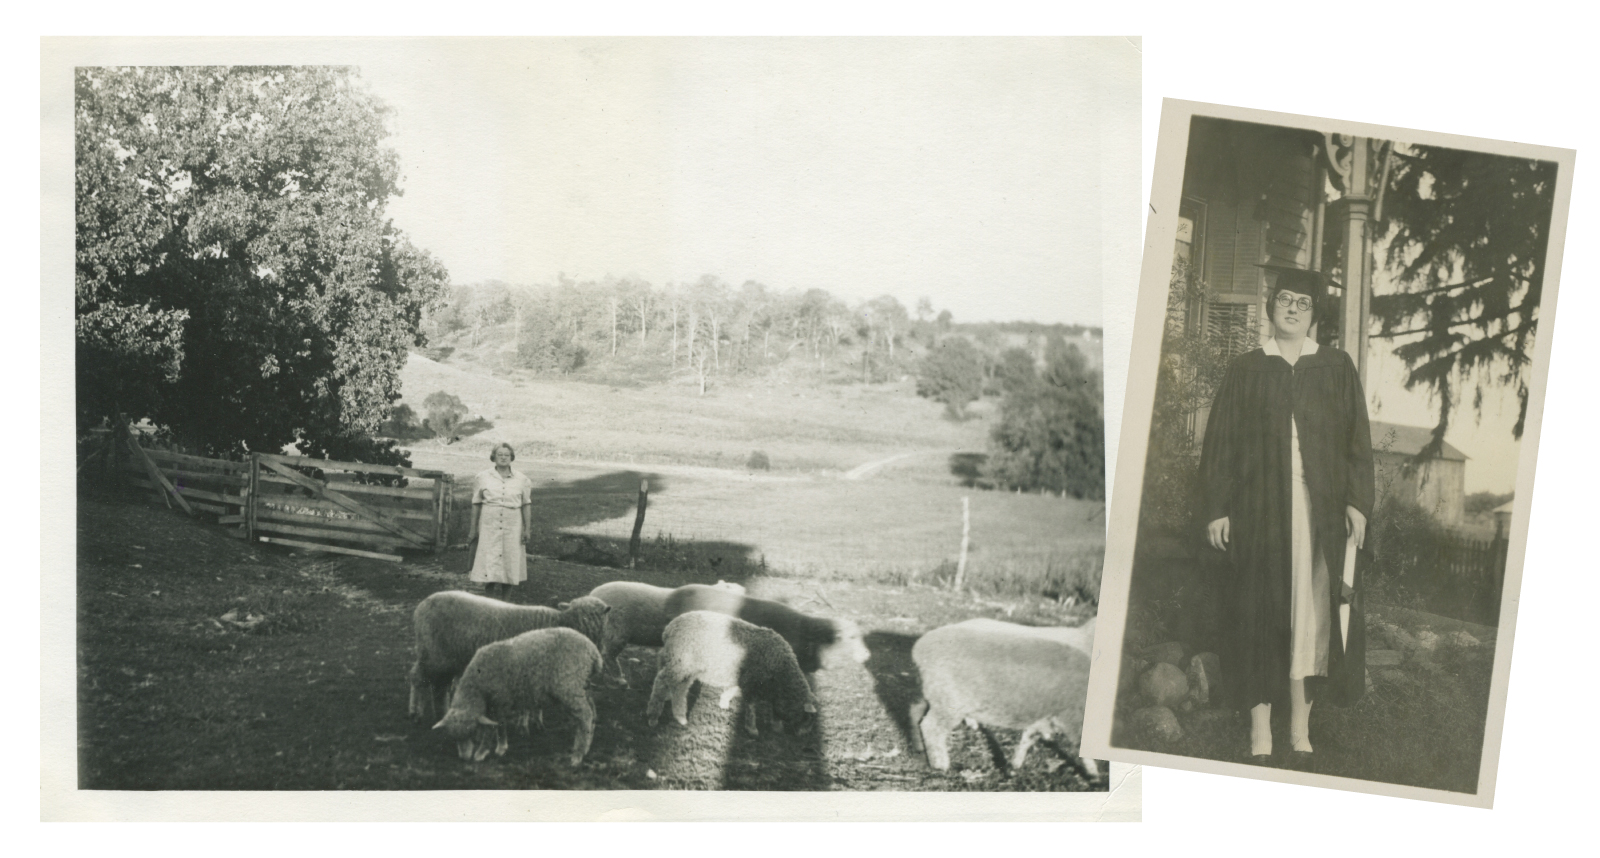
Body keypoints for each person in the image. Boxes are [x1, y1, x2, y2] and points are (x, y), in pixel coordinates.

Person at [1197, 266, 1374, 768]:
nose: (1291, 308)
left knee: (1312, 616)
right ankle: (1259, 731)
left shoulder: (1335, 368)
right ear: (1271, 306)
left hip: (1319, 514)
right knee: (1259, 612)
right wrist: (1216, 508)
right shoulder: (1248, 368)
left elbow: (1357, 442)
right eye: (1283, 300)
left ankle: (1300, 728)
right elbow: (1221, 446)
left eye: (1302, 302)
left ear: (1315, 314)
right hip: (1259, 513)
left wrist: (1358, 502)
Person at [468, 442, 533, 599]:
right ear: (493, 457)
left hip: (513, 526)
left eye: (507, 455)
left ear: (511, 458)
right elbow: (476, 504)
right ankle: (489, 600)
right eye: (500, 455)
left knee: (510, 561)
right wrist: (473, 529)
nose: (503, 458)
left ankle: (505, 602)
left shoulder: (522, 479)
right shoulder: (482, 477)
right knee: (489, 562)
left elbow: (526, 505)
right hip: (489, 525)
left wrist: (527, 529)